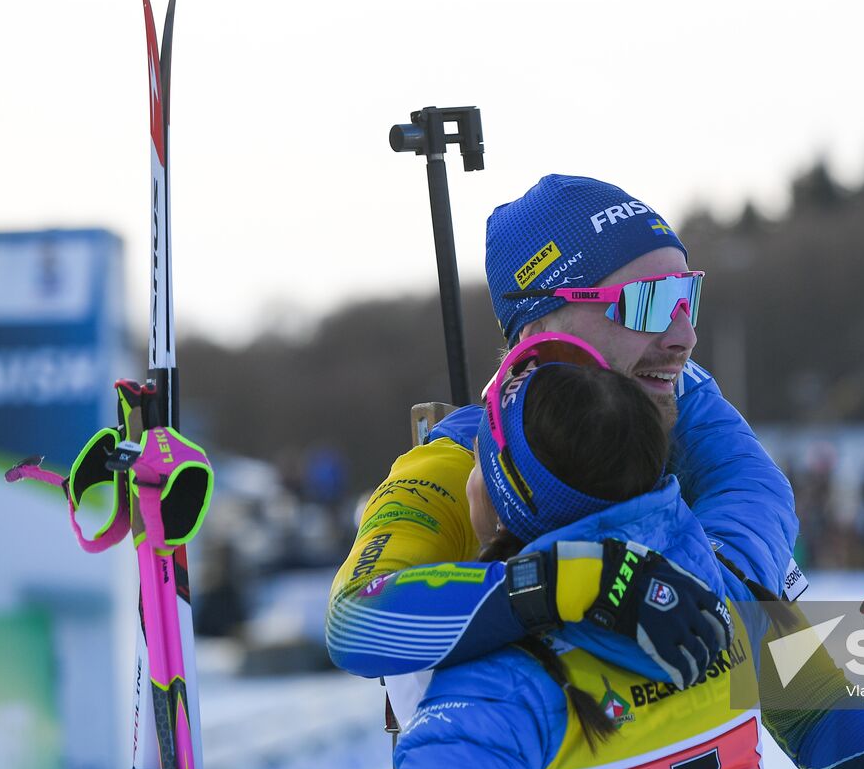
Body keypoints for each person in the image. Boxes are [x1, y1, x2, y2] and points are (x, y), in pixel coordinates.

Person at [391, 341, 864, 769]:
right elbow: (815, 713)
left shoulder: (494, 690)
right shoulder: (718, 596)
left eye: (477, 459)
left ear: (509, 497)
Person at [328, 175, 802, 697]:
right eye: (647, 302)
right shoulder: (457, 463)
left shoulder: (673, 401)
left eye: (688, 296)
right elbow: (355, 620)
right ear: (541, 335)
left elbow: (758, 521)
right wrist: (570, 584)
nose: (684, 337)